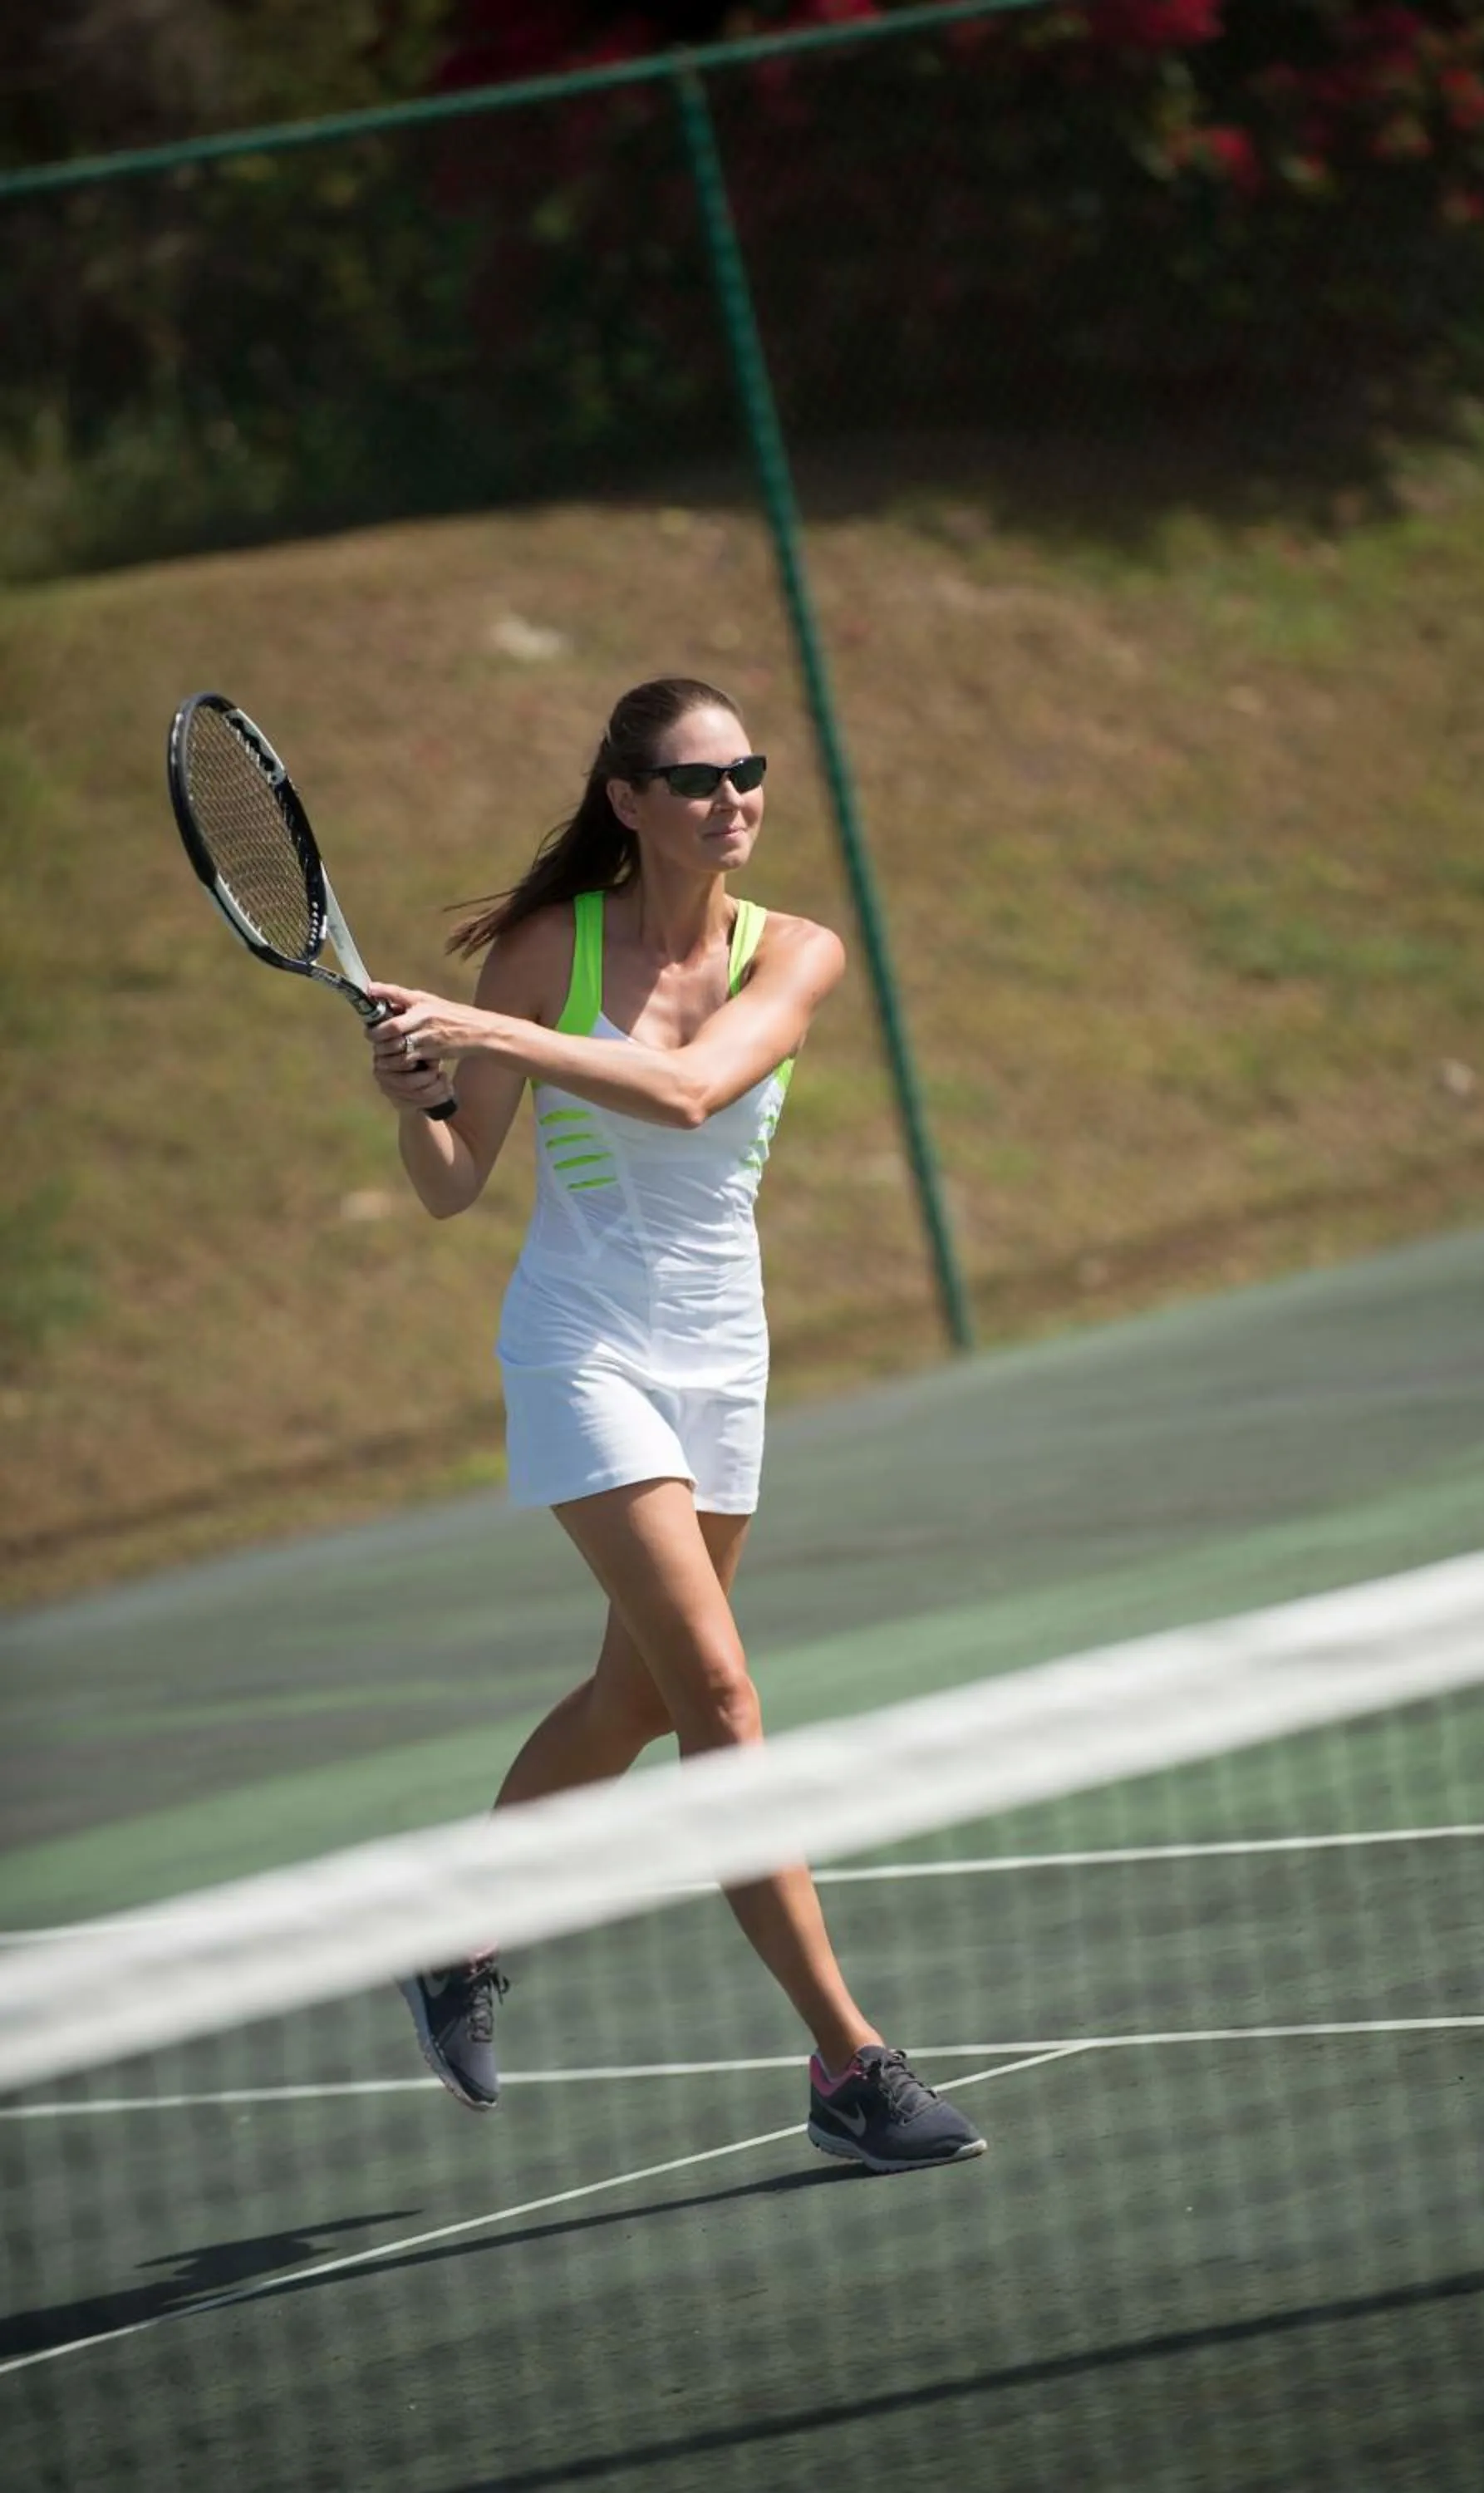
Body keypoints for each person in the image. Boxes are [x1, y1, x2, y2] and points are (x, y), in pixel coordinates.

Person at [366, 676, 985, 2176]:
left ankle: (453, 1934)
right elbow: (453, 1183)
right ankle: (849, 2062)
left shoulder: (798, 950)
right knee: (717, 1691)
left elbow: (695, 1091)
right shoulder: (544, 954)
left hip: (722, 1360)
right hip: (582, 1351)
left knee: (635, 1699)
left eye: (745, 771)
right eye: (698, 779)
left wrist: (484, 1027)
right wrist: (413, 1093)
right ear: (629, 801)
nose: (732, 799)